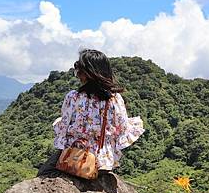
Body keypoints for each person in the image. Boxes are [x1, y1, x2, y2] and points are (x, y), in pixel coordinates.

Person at [38, 49, 145, 178]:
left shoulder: (73, 97)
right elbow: (122, 129)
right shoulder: (114, 98)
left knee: (44, 173)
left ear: (88, 73)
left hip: (75, 154)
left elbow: (63, 127)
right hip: (101, 161)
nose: (77, 73)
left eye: (79, 69)